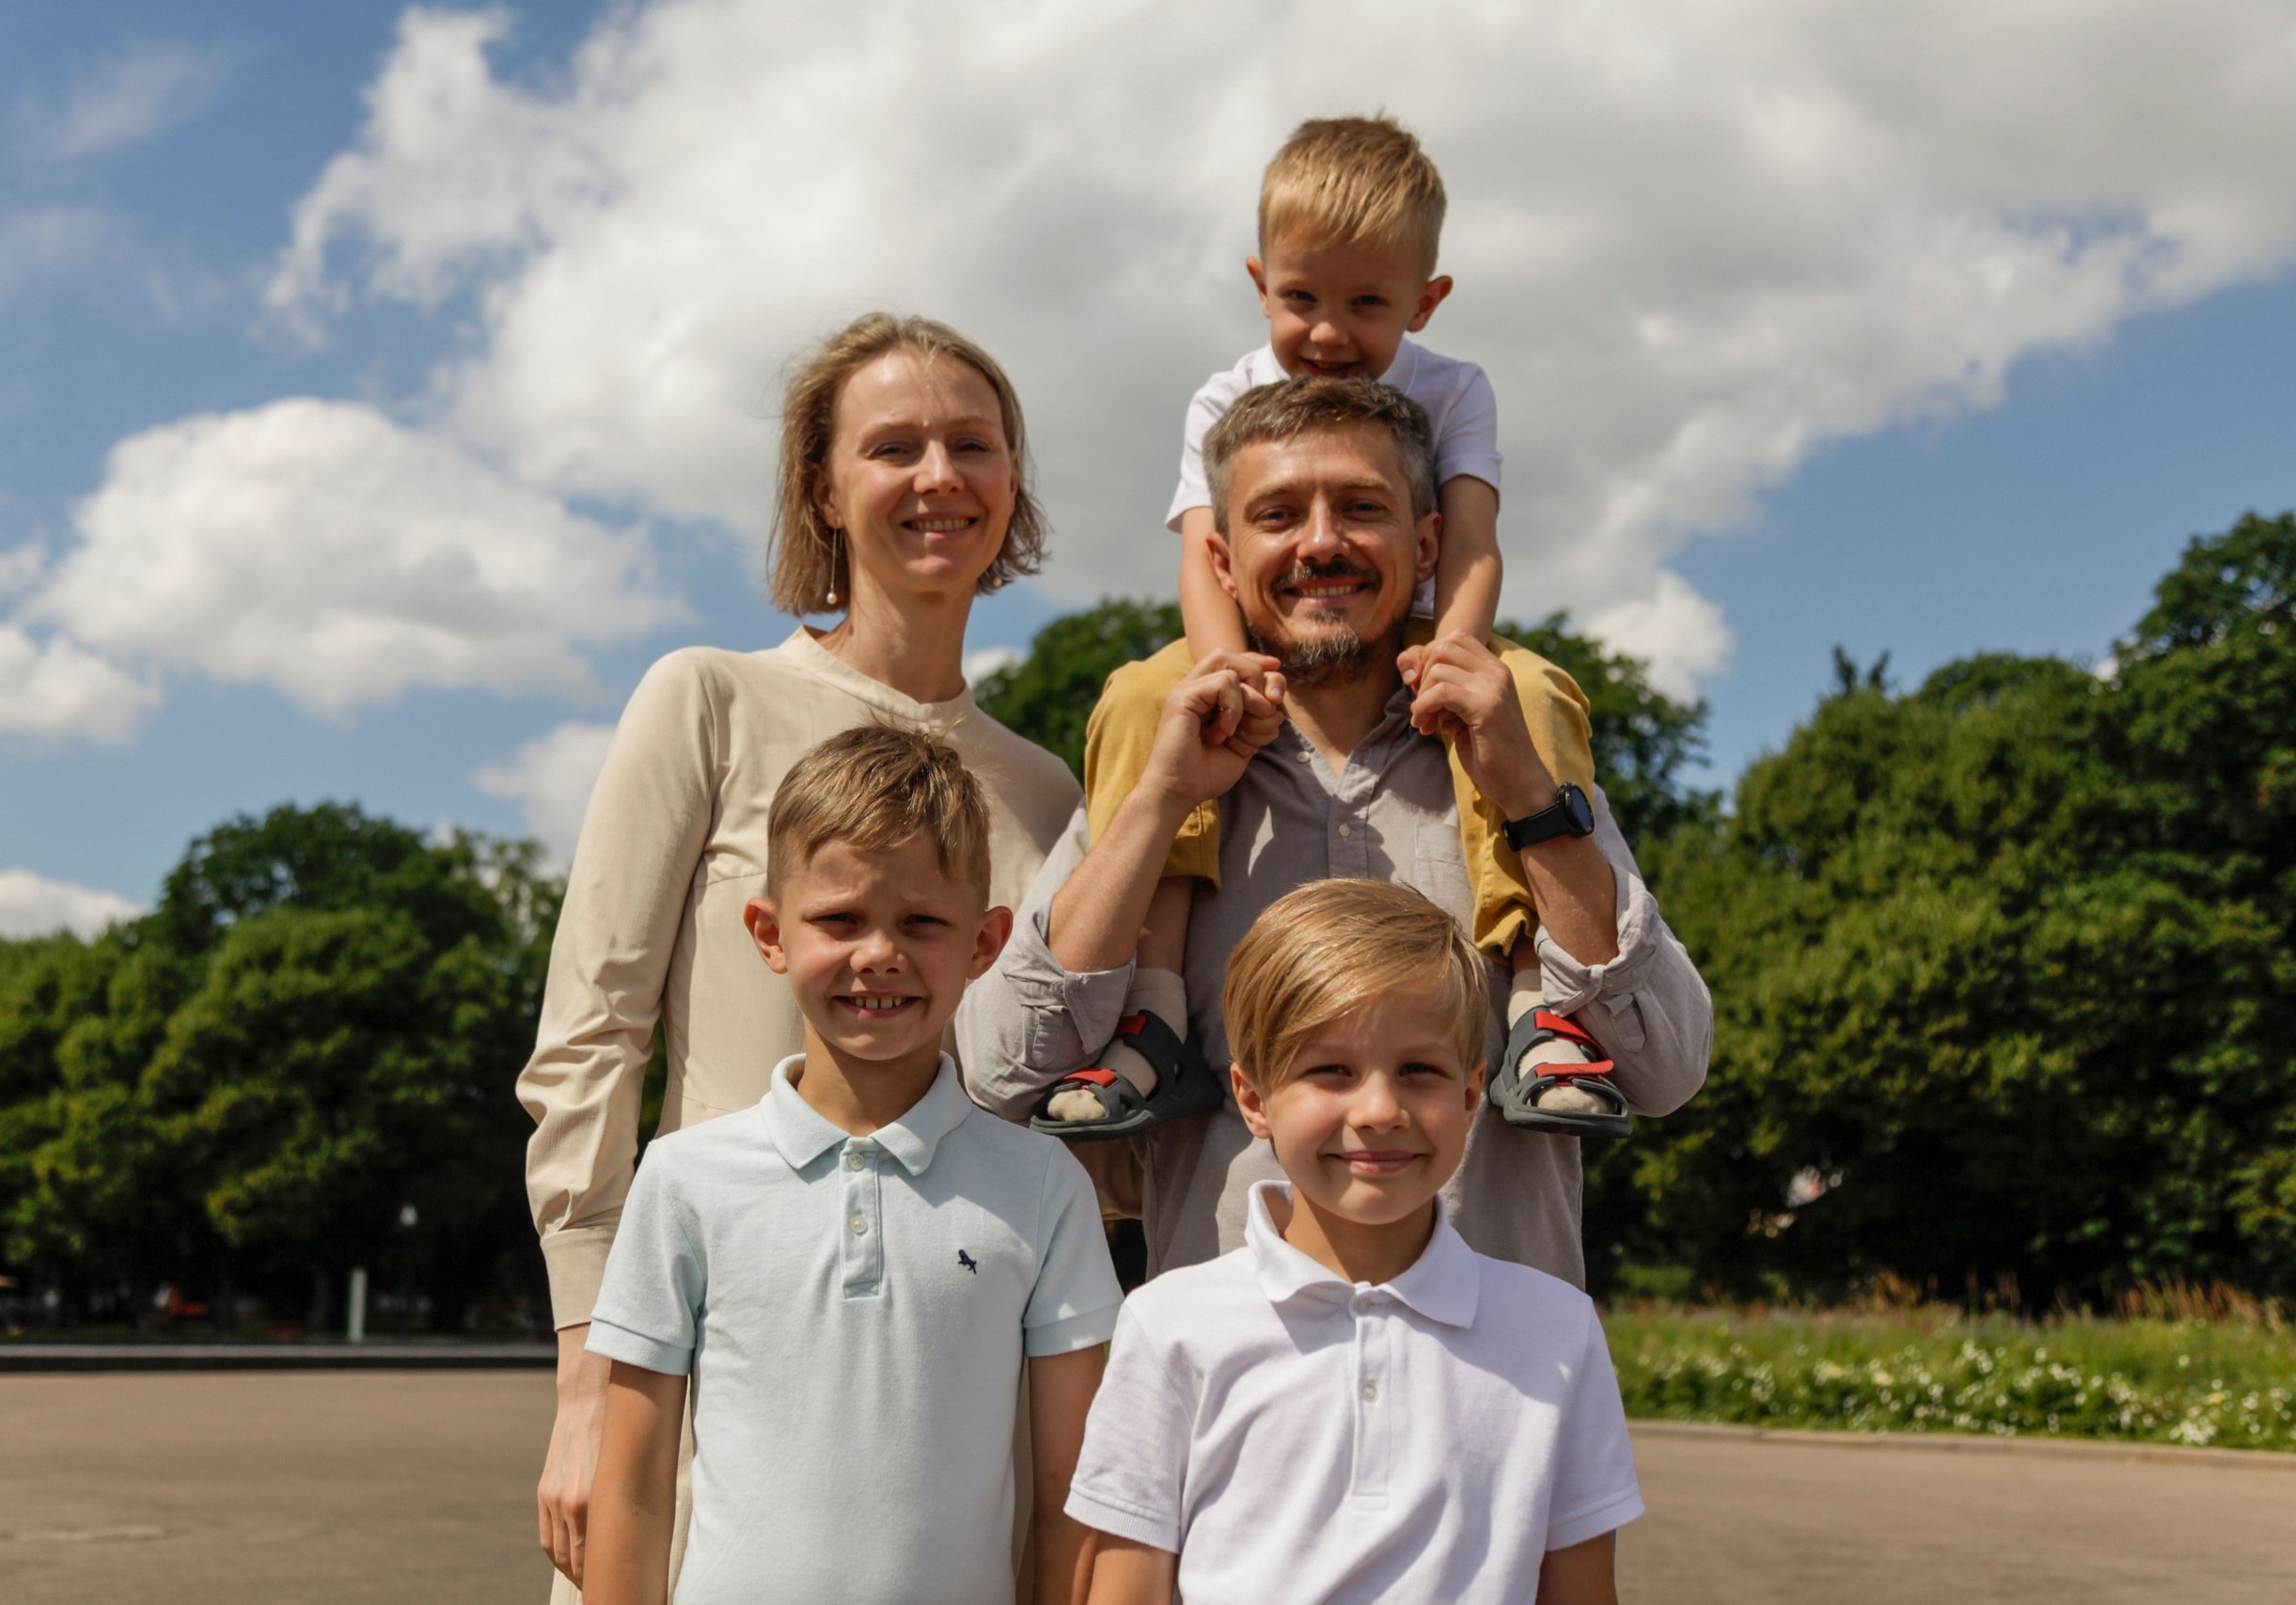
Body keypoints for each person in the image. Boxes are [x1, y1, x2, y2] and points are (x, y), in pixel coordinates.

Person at [517, 314, 1084, 1598]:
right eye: (893, 446)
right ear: (823, 488)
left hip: (950, 1403)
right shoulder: (704, 698)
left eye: (973, 444)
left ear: (1012, 482)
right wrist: (589, 1375)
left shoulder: (1052, 794)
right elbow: (588, 1040)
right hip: (707, 1370)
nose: (938, 475)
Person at [959, 376, 1713, 1285]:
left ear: (1427, 542)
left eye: (1361, 506)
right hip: (1237, 1374)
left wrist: (1525, 795)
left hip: (1495, 1378)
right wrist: (1157, 805)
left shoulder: (1520, 754)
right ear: (1224, 562)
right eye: (1278, 513)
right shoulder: (1163, 755)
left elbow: (1667, 1066)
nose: (1322, 542)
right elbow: (1000, 1069)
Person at [1036, 114, 1614, 1141]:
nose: (1327, 334)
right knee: (1144, 698)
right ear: (1259, 283)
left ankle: (1542, 1001)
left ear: (1426, 302)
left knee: (1522, 697)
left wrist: (1457, 654)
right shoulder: (1227, 394)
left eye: (1367, 305)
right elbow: (1201, 554)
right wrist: (1228, 670)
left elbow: (1473, 540)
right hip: (1256, 636)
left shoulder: (1453, 391)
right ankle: (1155, 1006)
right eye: (1299, 299)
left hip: (1424, 620)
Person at [579, 727, 1120, 1605]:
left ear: (985, 943)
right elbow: (631, 1493)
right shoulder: (683, 1179)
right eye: (839, 918)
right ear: (769, 931)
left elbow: (1070, 1499)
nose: (879, 954)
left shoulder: (1044, 1185)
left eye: (923, 923)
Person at [1069, 879, 1640, 1604]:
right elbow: (1126, 1589)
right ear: (1253, 1098)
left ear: (1471, 1097)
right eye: (1330, 1070)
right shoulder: (1169, 1324)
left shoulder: (1559, 1332)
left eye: (1419, 1071)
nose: (1378, 1110)